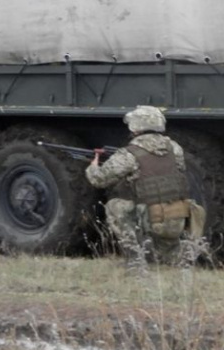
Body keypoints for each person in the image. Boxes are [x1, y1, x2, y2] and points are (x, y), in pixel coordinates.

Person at [85, 105, 206, 272]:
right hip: (177, 217)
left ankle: (135, 260)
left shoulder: (129, 154)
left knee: (115, 206)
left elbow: (98, 179)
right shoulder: (175, 148)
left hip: (150, 219)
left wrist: (93, 165)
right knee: (166, 252)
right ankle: (181, 255)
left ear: (136, 127)